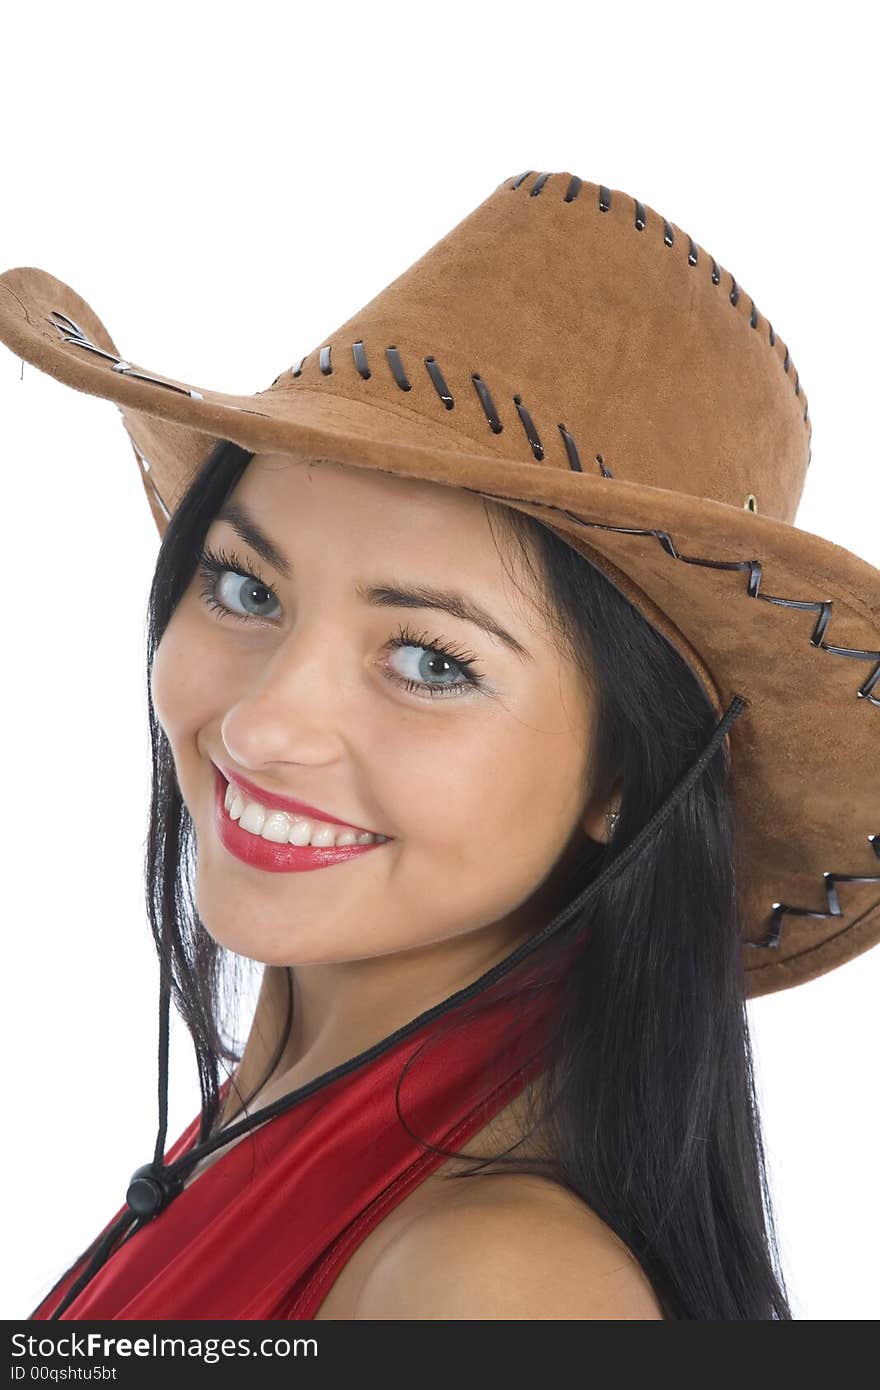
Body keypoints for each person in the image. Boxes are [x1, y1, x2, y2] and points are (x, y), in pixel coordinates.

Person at [1, 169, 877, 1321]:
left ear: (625, 775)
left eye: (429, 660)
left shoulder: (492, 1284)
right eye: (244, 587)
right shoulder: (272, 1131)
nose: (262, 726)